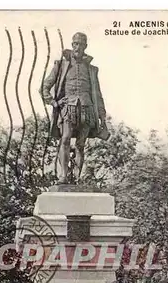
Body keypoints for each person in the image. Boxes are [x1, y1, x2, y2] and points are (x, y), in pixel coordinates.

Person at [41, 32, 108, 183]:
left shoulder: (91, 69)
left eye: (81, 44)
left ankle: (77, 178)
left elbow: (97, 94)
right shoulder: (61, 65)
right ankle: (63, 176)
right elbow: (45, 86)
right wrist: (53, 102)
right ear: (72, 45)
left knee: (80, 144)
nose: (78, 47)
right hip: (67, 108)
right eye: (75, 44)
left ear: (85, 46)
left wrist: (103, 118)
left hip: (87, 108)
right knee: (64, 139)